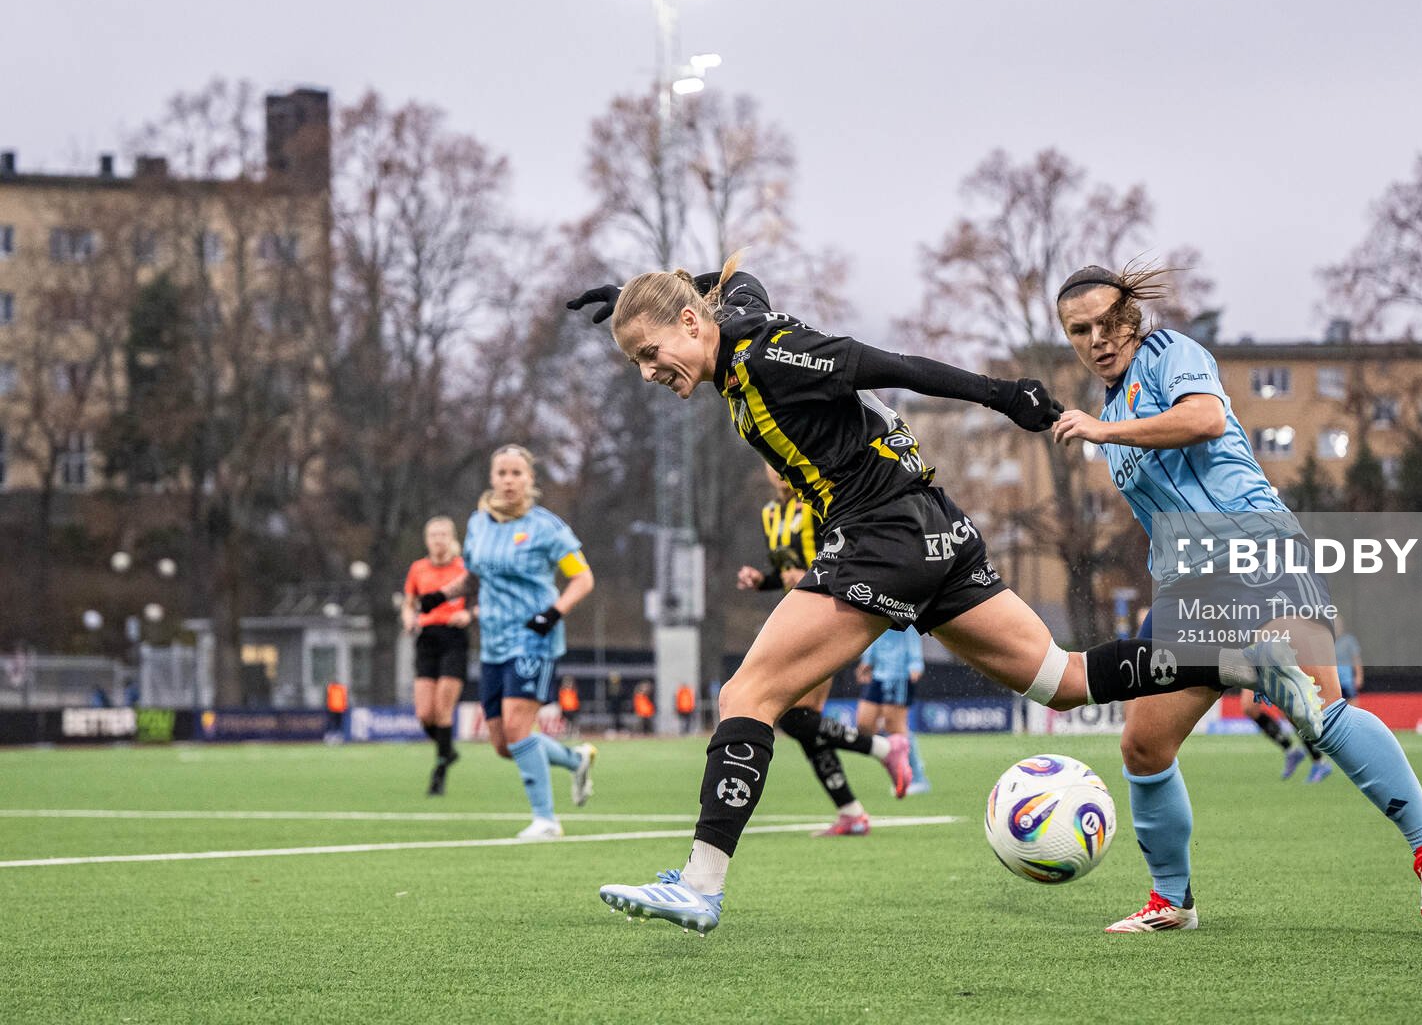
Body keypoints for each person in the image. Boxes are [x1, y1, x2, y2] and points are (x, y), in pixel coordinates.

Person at [574, 258, 1307, 935]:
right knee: (1062, 680)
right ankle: (1236, 665)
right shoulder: (731, 325)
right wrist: (634, 299)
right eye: (637, 360)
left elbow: (890, 366)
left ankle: (700, 885)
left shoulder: (771, 357)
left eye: (650, 353)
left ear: (692, 322)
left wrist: (1002, 396)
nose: (648, 371)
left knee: (747, 695)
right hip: (934, 531)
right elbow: (741, 283)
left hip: (880, 534)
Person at [1049, 262, 1422, 931]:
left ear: (1129, 316)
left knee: (1316, 708)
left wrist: (1104, 433)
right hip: (1187, 585)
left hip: (1255, 552)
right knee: (1144, 746)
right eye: (1080, 330)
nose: (1097, 338)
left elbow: (1206, 418)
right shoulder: (1111, 406)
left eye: (1107, 322)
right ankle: (1171, 901)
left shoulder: (1168, 353)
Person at [430, 444, 598, 840]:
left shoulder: (546, 527)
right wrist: (439, 597)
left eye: (516, 473)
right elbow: (474, 577)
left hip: (534, 639)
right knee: (504, 744)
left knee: (517, 727)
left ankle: (546, 820)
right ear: (492, 478)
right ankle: (575, 760)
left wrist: (552, 614)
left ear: (529, 479)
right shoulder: (478, 524)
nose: (509, 480)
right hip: (493, 643)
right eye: (502, 473)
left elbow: (582, 578)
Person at [737, 464, 905, 836]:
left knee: (794, 719)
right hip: (798, 617)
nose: (775, 470)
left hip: (829, 613)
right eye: (768, 463)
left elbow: (843, 556)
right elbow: (786, 570)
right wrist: (761, 580)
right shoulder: (770, 513)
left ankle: (883, 751)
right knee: (802, 722)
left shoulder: (818, 504)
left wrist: (810, 576)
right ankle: (852, 811)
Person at [401, 515, 471, 795]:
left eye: (443, 534)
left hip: (454, 637)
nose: (438, 540)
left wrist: (469, 614)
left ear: (452, 538)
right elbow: (409, 604)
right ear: (426, 539)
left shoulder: (464, 568)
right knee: (424, 713)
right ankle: (447, 750)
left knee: (443, 708)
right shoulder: (418, 569)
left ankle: (440, 771)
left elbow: (482, 601)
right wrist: (408, 619)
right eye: (433, 535)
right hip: (427, 639)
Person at [857, 627, 929, 795]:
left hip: (899, 673)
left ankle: (917, 777)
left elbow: (911, 628)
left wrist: (915, 662)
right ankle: (894, 757)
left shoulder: (901, 614)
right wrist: (867, 660)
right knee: (864, 725)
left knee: (895, 727)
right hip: (877, 673)